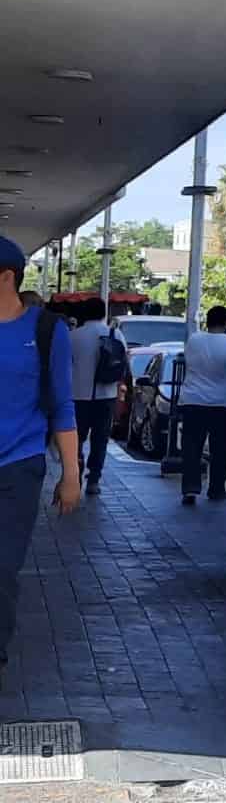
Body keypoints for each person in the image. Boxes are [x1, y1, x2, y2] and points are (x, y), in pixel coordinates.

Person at [0, 236, 77, 687]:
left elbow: (62, 406)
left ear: (7, 277)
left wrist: (72, 474)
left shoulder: (46, 330)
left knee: (3, 565)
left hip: (20, 465)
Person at [179, 304, 226, 505]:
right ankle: (216, 489)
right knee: (219, 448)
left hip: (193, 401)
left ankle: (190, 488)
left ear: (207, 321)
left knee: (192, 446)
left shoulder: (193, 341)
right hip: (223, 404)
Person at [67, 296, 126, 497]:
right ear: (104, 313)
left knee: (76, 438)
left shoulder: (73, 336)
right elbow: (122, 364)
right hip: (106, 394)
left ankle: (75, 473)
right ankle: (94, 479)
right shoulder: (114, 333)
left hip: (77, 396)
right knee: (100, 439)